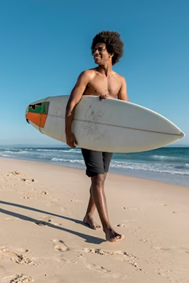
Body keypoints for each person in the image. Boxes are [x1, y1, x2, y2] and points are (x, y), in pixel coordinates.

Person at [65, 31, 129, 242]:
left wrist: (110, 101)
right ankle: (108, 228)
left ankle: (88, 215)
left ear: (111, 52)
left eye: (100, 49)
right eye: (94, 49)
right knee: (98, 178)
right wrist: (68, 131)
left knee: (101, 178)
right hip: (90, 133)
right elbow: (72, 104)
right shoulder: (87, 75)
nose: (95, 52)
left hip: (108, 135)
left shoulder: (120, 80)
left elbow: (126, 109)